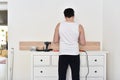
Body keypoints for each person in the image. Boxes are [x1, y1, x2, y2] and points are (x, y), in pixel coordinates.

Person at [53, 8, 86, 80]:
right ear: (73, 15)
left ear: (64, 16)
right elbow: (83, 43)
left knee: (62, 76)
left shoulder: (59, 25)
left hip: (63, 53)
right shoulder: (79, 26)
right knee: (75, 76)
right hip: (74, 54)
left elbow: (55, 41)